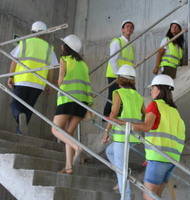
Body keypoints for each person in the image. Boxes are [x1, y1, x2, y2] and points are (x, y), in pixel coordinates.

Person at [120, 74, 186, 199]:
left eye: (152, 88)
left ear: (159, 89)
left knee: (148, 197)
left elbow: (146, 126)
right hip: (171, 160)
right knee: (156, 196)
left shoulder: (155, 105)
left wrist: (125, 123)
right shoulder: (174, 111)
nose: (151, 91)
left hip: (158, 158)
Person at [51, 34, 93, 174]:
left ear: (67, 47)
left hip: (67, 100)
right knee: (68, 134)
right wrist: (89, 105)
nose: (61, 46)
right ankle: (69, 166)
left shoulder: (64, 59)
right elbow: (88, 85)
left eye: (63, 44)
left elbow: (60, 81)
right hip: (82, 103)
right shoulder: (84, 64)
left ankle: (78, 148)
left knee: (55, 130)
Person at [8, 21, 58, 134]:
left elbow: (14, 61)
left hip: (22, 80)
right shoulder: (49, 48)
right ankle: (20, 134)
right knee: (28, 108)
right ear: (45, 34)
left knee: (15, 104)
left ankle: (18, 115)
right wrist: (48, 84)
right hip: (38, 83)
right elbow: (52, 68)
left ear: (32, 31)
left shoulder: (24, 42)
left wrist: (10, 76)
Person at [102, 64, 144, 200]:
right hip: (134, 137)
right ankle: (125, 174)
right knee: (109, 152)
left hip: (122, 137)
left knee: (121, 169)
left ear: (119, 79)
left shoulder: (118, 93)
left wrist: (106, 131)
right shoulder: (138, 96)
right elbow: (145, 115)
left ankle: (125, 196)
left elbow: (113, 115)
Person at [104, 20, 135, 118]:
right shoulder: (117, 41)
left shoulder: (131, 45)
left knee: (123, 98)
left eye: (131, 27)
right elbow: (113, 60)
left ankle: (116, 118)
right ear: (122, 30)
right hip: (115, 75)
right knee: (113, 97)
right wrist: (118, 75)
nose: (129, 28)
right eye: (127, 26)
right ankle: (106, 119)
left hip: (126, 76)